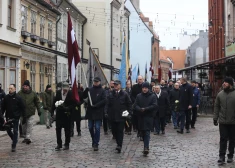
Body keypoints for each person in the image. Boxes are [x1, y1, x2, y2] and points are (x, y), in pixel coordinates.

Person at [104, 80, 132, 153]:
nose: (115, 86)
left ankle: (119, 145)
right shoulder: (110, 94)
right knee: (114, 130)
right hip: (112, 115)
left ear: (120, 85)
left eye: (117, 85)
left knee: (120, 131)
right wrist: (106, 112)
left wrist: (129, 113)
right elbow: (107, 104)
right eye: (115, 85)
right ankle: (117, 141)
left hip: (121, 116)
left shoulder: (124, 94)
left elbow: (129, 104)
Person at [214, 77, 235, 163]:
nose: (224, 83)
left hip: (233, 121)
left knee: (232, 139)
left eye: (226, 82)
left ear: (230, 84)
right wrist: (215, 118)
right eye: (224, 82)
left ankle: (230, 155)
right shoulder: (220, 94)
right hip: (222, 121)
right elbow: (216, 106)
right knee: (223, 139)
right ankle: (221, 156)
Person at [52, 82, 78, 151]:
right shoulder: (58, 93)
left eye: (66, 89)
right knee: (58, 129)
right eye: (64, 89)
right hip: (59, 114)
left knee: (67, 130)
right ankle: (59, 144)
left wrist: (68, 108)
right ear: (62, 88)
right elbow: (54, 102)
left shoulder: (71, 94)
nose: (65, 91)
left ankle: (67, 144)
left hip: (67, 115)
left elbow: (74, 104)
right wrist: (52, 111)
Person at [134, 82, 157, 155]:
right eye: (143, 88)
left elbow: (154, 105)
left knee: (147, 132)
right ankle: (145, 145)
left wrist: (146, 109)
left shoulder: (152, 96)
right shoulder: (138, 96)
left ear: (148, 88)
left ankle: (146, 147)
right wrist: (139, 109)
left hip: (148, 117)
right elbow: (135, 105)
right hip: (140, 116)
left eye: (146, 88)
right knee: (142, 132)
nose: (144, 89)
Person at [83, 77, 106, 151]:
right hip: (90, 112)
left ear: (99, 82)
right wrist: (85, 91)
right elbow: (83, 97)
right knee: (90, 127)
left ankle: (96, 143)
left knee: (97, 127)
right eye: (94, 82)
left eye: (97, 82)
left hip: (98, 111)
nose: (95, 83)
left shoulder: (102, 91)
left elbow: (104, 100)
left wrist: (96, 105)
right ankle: (93, 139)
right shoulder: (90, 90)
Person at [1, 84, 25, 152]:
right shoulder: (6, 98)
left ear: (15, 89)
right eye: (9, 88)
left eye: (11, 88)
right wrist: (1, 115)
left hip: (16, 117)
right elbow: (3, 108)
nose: (10, 90)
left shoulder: (18, 98)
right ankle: (14, 139)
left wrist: (24, 116)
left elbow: (23, 107)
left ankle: (14, 145)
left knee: (15, 130)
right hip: (8, 116)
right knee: (8, 130)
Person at [18, 80, 41, 144]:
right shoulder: (19, 93)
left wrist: (39, 110)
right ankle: (25, 136)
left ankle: (28, 137)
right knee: (23, 126)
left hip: (31, 112)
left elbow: (37, 102)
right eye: (24, 86)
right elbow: (16, 102)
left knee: (30, 124)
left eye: (26, 86)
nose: (25, 87)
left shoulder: (33, 93)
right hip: (22, 113)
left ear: (29, 87)